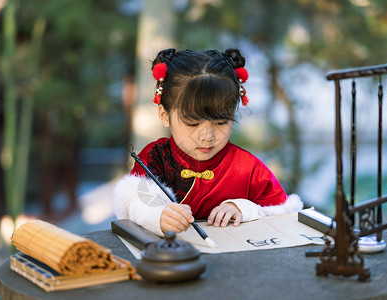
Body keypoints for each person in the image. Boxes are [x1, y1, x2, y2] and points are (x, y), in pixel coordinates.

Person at [113, 48, 302, 236]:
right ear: (165, 115)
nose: (207, 136)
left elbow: (285, 215)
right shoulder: (156, 157)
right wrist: (156, 215)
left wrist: (244, 209)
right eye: (193, 123)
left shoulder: (247, 169)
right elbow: (132, 203)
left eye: (221, 122)